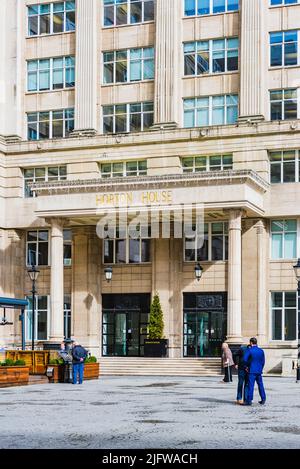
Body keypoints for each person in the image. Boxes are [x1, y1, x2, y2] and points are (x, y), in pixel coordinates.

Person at [243, 337, 266, 406]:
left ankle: (249, 400)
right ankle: (263, 398)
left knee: (251, 386)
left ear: (251, 343)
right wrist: (260, 368)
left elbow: (244, 359)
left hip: (251, 370)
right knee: (261, 385)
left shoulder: (250, 350)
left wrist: (246, 367)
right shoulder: (261, 350)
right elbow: (263, 361)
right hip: (259, 371)